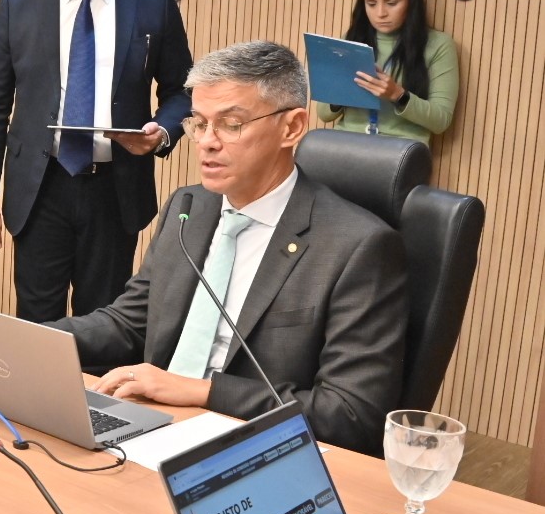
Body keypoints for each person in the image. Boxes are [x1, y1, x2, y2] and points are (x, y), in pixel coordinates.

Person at [54, 41, 406, 454]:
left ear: (292, 128)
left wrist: (202, 392)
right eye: (199, 124)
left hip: (254, 447)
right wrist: (31, 341)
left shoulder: (358, 247)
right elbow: (130, 323)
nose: (207, 142)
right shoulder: (189, 207)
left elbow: (350, 413)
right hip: (153, 423)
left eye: (231, 124)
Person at [0, 0, 193, 321]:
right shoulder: (19, 2)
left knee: (105, 320)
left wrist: (162, 132)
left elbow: (183, 89)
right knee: (37, 323)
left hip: (115, 186)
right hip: (40, 186)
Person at [317, 0, 458, 145]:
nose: (381, 13)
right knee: (309, 145)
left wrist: (397, 95)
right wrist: (343, 91)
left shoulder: (438, 44)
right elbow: (324, 114)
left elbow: (441, 121)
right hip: (347, 144)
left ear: (411, 1)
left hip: (401, 149)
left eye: (392, 3)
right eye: (371, 4)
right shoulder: (352, 39)